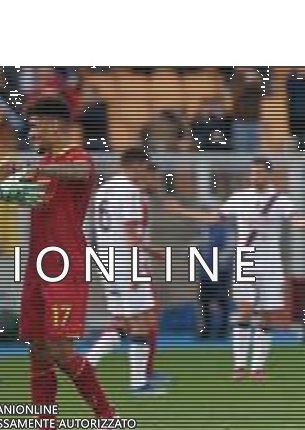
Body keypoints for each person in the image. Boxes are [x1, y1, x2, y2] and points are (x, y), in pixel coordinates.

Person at [16, 96, 116, 430]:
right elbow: (29, 198)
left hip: (66, 266)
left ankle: (106, 417)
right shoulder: (43, 163)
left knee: (59, 348)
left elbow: (82, 173)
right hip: (36, 265)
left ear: (55, 125)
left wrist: (36, 170)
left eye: (37, 125)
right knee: (39, 351)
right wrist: (6, 184)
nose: (32, 132)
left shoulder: (77, 157)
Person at [167, 158, 305, 380]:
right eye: (253, 172)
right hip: (245, 259)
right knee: (244, 309)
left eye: (260, 173)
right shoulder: (240, 197)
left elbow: (296, 221)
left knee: (266, 314)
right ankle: (239, 365)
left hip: (271, 262)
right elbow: (215, 218)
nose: (256, 176)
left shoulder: (280, 200)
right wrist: (183, 212)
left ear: (268, 175)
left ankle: (258, 367)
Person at [83, 148, 166, 394]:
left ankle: (87, 363)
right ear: (134, 166)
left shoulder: (104, 190)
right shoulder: (129, 191)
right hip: (126, 263)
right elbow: (130, 236)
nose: (144, 172)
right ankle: (138, 383)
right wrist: (133, 269)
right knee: (141, 320)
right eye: (143, 166)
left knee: (122, 321)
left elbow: (100, 230)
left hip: (107, 261)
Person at [197, 221, 232, 339]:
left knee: (221, 299)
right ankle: (207, 328)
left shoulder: (223, 229)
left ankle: (223, 327)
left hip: (220, 270)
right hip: (205, 270)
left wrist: (221, 265)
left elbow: (228, 248)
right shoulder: (205, 229)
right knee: (204, 301)